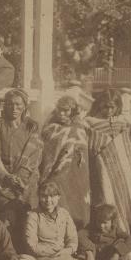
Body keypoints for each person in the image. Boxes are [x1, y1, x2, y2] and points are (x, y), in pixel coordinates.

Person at [85, 89, 131, 260]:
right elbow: (92, 145)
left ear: (117, 107)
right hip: (102, 169)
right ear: (98, 106)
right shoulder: (90, 123)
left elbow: (127, 146)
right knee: (107, 205)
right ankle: (106, 254)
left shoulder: (123, 124)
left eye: (112, 107)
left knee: (126, 206)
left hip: (122, 173)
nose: (108, 111)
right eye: (105, 107)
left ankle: (127, 255)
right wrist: (105, 142)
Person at [0, 88, 42, 253]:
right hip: (3, 181)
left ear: (24, 106)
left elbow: (35, 154)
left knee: (26, 219)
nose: (14, 108)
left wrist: (20, 179)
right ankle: (5, 255)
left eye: (18, 105)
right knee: (6, 220)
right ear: (5, 106)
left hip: (27, 181)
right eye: (10, 104)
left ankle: (26, 256)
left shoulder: (32, 126)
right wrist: (6, 176)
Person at [21, 181, 100, 260]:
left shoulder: (64, 214)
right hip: (43, 258)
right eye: (44, 196)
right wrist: (54, 250)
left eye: (52, 196)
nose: (48, 200)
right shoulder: (33, 216)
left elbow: (72, 240)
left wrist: (65, 251)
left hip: (63, 255)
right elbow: (32, 245)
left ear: (58, 197)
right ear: (39, 197)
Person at [39, 96, 91, 229]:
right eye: (59, 110)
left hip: (76, 171)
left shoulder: (80, 127)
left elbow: (85, 146)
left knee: (76, 203)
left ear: (73, 111)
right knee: (57, 200)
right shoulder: (50, 126)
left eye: (66, 111)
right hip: (56, 172)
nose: (62, 114)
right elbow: (46, 149)